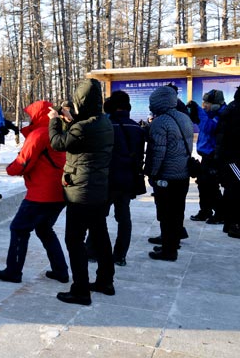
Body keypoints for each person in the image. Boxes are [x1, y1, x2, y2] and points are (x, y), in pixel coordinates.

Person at [48, 78, 115, 306]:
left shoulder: (82, 127)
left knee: (74, 240)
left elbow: (58, 143)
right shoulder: (103, 123)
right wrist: (70, 119)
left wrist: (55, 121)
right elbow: (81, 137)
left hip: (80, 193)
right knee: (100, 236)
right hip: (98, 191)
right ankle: (106, 281)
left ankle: (80, 290)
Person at [0, 101, 69, 284]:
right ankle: (61, 271)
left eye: (31, 115)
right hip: (60, 192)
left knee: (19, 229)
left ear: (38, 116)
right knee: (44, 229)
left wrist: (10, 169)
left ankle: (13, 271)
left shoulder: (39, 134)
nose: (29, 118)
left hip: (41, 194)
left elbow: (24, 161)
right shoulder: (57, 132)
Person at [86, 91, 145, 267]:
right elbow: (139, 155)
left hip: (107, 179)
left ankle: (92, 250)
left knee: (98, 216)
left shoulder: (106, 125)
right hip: (128, 180)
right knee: (124, 218)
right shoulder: (137, 128)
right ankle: (120, 255)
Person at [144, 85, 194, 261]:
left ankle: (168, 251)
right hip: (183, 173)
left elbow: (158, 153)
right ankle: (171, 244)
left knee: (166, 214)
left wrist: (152, 173)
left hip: (167, 176)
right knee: (177, 212)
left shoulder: (160, 122)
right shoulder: (184, 117)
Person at [188, 90, 226, 224]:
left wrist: (199, 111)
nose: (204, 105)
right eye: (203, 103)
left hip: (214, 156)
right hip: (206, 155)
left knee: (211, 186)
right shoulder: (210, 114)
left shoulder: (221, 114)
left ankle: (221, 214)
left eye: (207, 103)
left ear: (216, 104)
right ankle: (205, 210)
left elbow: (209, 128)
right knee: (203, 184)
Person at [214, 86, 240, 237]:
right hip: (234, 157)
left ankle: (230, 223)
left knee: (232, 189)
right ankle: (234, 225)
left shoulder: (232, 108)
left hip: (230, 157)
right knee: (236, 190)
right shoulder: (236, 111)